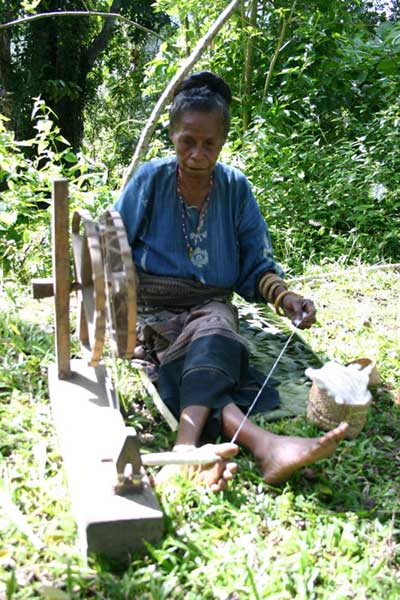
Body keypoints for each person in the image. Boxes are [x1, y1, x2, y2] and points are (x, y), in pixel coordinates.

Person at [114, 71, 348, 492]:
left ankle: (188, 449)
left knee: (217, 333)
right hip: (152, 306)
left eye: (210, 144)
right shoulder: (150, 180)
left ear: (222, 142)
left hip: (211, 303)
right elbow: (112, 247)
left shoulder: (235, 188)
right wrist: (119, 314)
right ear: (171, 134)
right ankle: (260, 444)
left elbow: (254, 266)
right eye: (188, 140)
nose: (198, 153)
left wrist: (285, 296)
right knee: (193, 354)